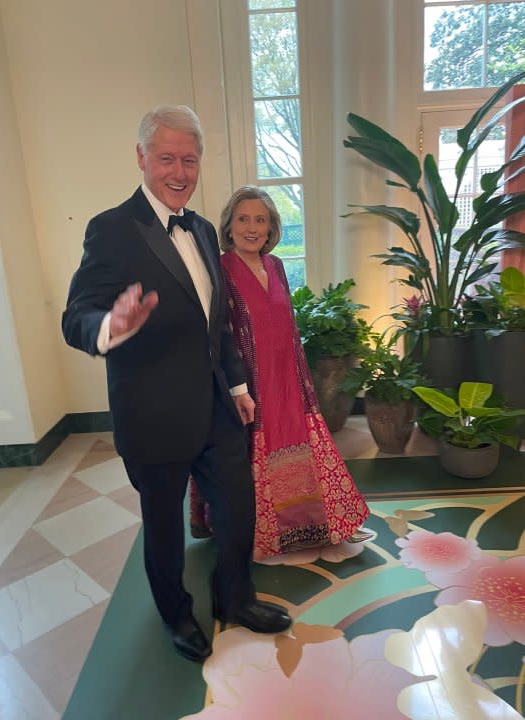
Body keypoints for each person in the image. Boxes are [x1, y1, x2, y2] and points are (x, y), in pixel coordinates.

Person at [62, 107, 291, 663]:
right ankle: (176, 614)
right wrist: (109, 327)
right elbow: (76, 317)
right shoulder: (111, 228)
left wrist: (236, 387)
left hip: (215, 406)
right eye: (166, 157)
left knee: (238, 508)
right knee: (163, 529)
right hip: (153, 413)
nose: (179, 170)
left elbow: (215, 325)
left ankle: (235, 597)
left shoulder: (205, 228)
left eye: (189, 159)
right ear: (141, 157)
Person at [190, 186, 372, 560]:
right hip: (249, 386)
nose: (252, 228)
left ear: (272, 227)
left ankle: (308, 522)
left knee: (304, 448)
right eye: (244, 219)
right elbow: (218, 334)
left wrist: (304, 385)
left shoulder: (276, 267)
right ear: (229, 224)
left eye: (261, 220)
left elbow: (287, 327)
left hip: (288, 380)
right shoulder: (220, 270)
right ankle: (262, 532)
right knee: (253, 462)